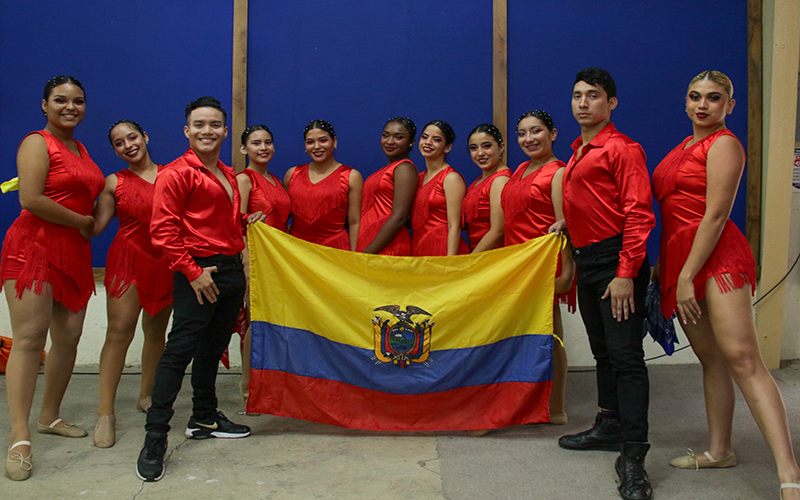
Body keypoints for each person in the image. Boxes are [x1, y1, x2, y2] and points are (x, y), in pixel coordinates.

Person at [652, 70, 800, 499]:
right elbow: (675, 213)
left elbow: (714, 216)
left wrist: (684, 277)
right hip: (681, 259)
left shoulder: (725, 145)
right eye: (695, 96)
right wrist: (669, 267)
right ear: (685, 101)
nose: (703, 105)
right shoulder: (684, 146)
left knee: (742, 358)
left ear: (729, 106)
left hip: (715, 257)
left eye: (714, 98)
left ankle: (789, 472)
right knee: (710, 357)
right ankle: (720, 450)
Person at [136, 96, 265, 482]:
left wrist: (246, 218)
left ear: (225, 131)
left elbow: (214, 219)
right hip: (197, 271)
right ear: (187, 131)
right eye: (199, 125)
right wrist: (192, 272)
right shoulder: (176, 173)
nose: (207, 131)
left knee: (213, 348)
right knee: (178, 353)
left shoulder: (227, 173)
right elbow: (163, 229)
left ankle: (204, 417)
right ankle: (155, 437)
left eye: (214, 125)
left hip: (228, 271)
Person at [553, 68, 655, 500]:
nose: (582, 103)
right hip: (589, 260)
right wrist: (568, 223)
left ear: (610, 103)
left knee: (627, 358)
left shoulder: (622, 148)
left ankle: (633, 457)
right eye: (576, 95)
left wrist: (626, 273)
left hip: (617, 263)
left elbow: (638, 213)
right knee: (602, 353)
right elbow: (596, 202)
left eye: (592, 96)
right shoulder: (578, 150)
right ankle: (609, 423)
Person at [1, 76, 105, 481]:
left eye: (78, 101)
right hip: (34, 247)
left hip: (75, 252)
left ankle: (49, 416)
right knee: (28, 340)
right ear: (44, 105)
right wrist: (84, 220)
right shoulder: (35, 142)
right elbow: (31, 198)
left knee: (69, 336)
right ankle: (20, 437)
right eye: (60, 100)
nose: (70, 107)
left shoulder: (80, 148)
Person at [90, 120, 173, 449]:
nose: (128, 145)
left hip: (165, 262)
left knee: (156, 331)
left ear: (145, 136)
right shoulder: (114, 182)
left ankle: (146, 395)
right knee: (119, 332)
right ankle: (105, 413)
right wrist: (58, 202)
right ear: (115, 150)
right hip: (127, 260)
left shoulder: (173, 175)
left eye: (132, 137)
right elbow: (96, 227)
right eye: (119, 143)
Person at [503, 111, 575, 427]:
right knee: (527, 336)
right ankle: (527, 400)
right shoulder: (519, 169)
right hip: (519, 265)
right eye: (522, 133)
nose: (529, 139)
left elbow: (566, 227)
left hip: (545, 267)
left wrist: (566, 269)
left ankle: (556, 406)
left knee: (551, 334)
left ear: (553, 134)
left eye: (536, 131)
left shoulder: (557, 173)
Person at [236, 124, 290, 407]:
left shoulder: (276, 180)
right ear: (245, 149)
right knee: (255, 323)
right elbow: (234, 222)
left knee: (274, 322)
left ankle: (271, 380)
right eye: (256, 143)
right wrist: (246, 265)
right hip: (254, 258)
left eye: (268, 142)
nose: (263, 148)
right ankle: (247, 388)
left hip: (277, 261)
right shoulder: (244, 179)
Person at [284, 120, 363, 250]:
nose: (316, 147)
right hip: (296, 251)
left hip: (335, 250)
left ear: (334, 141)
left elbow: (355, 222)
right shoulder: (292, 174)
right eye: (310, 142)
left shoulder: (351, 176)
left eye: (323, 140)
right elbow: (283, 216)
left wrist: (355, 257)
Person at [356, 117, 418, 255]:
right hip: (371, 243)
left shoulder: (404, 169)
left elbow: (400, 217)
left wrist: (367, 254)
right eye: (385, 135)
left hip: (388, 247)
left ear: (411, 142)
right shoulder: (385, 170)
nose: (389, 141)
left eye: (398, 137)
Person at [411, 120, 469, 256]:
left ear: (447, 147)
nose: (428, 142)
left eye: (436, 140)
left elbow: (455, 225)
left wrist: (450, 261)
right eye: (425, 137)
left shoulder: (451, 178)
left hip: (443, 250)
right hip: (420, 249)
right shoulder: (419, 177)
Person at [462, 123, 511, 253]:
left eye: (487, 146)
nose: (480, 153)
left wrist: (471, 260)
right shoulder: (477, 183)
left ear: (501, 147)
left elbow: (498, 231)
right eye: (473, 148)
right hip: (480, 255)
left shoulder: (500, 180)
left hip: (493, 258)